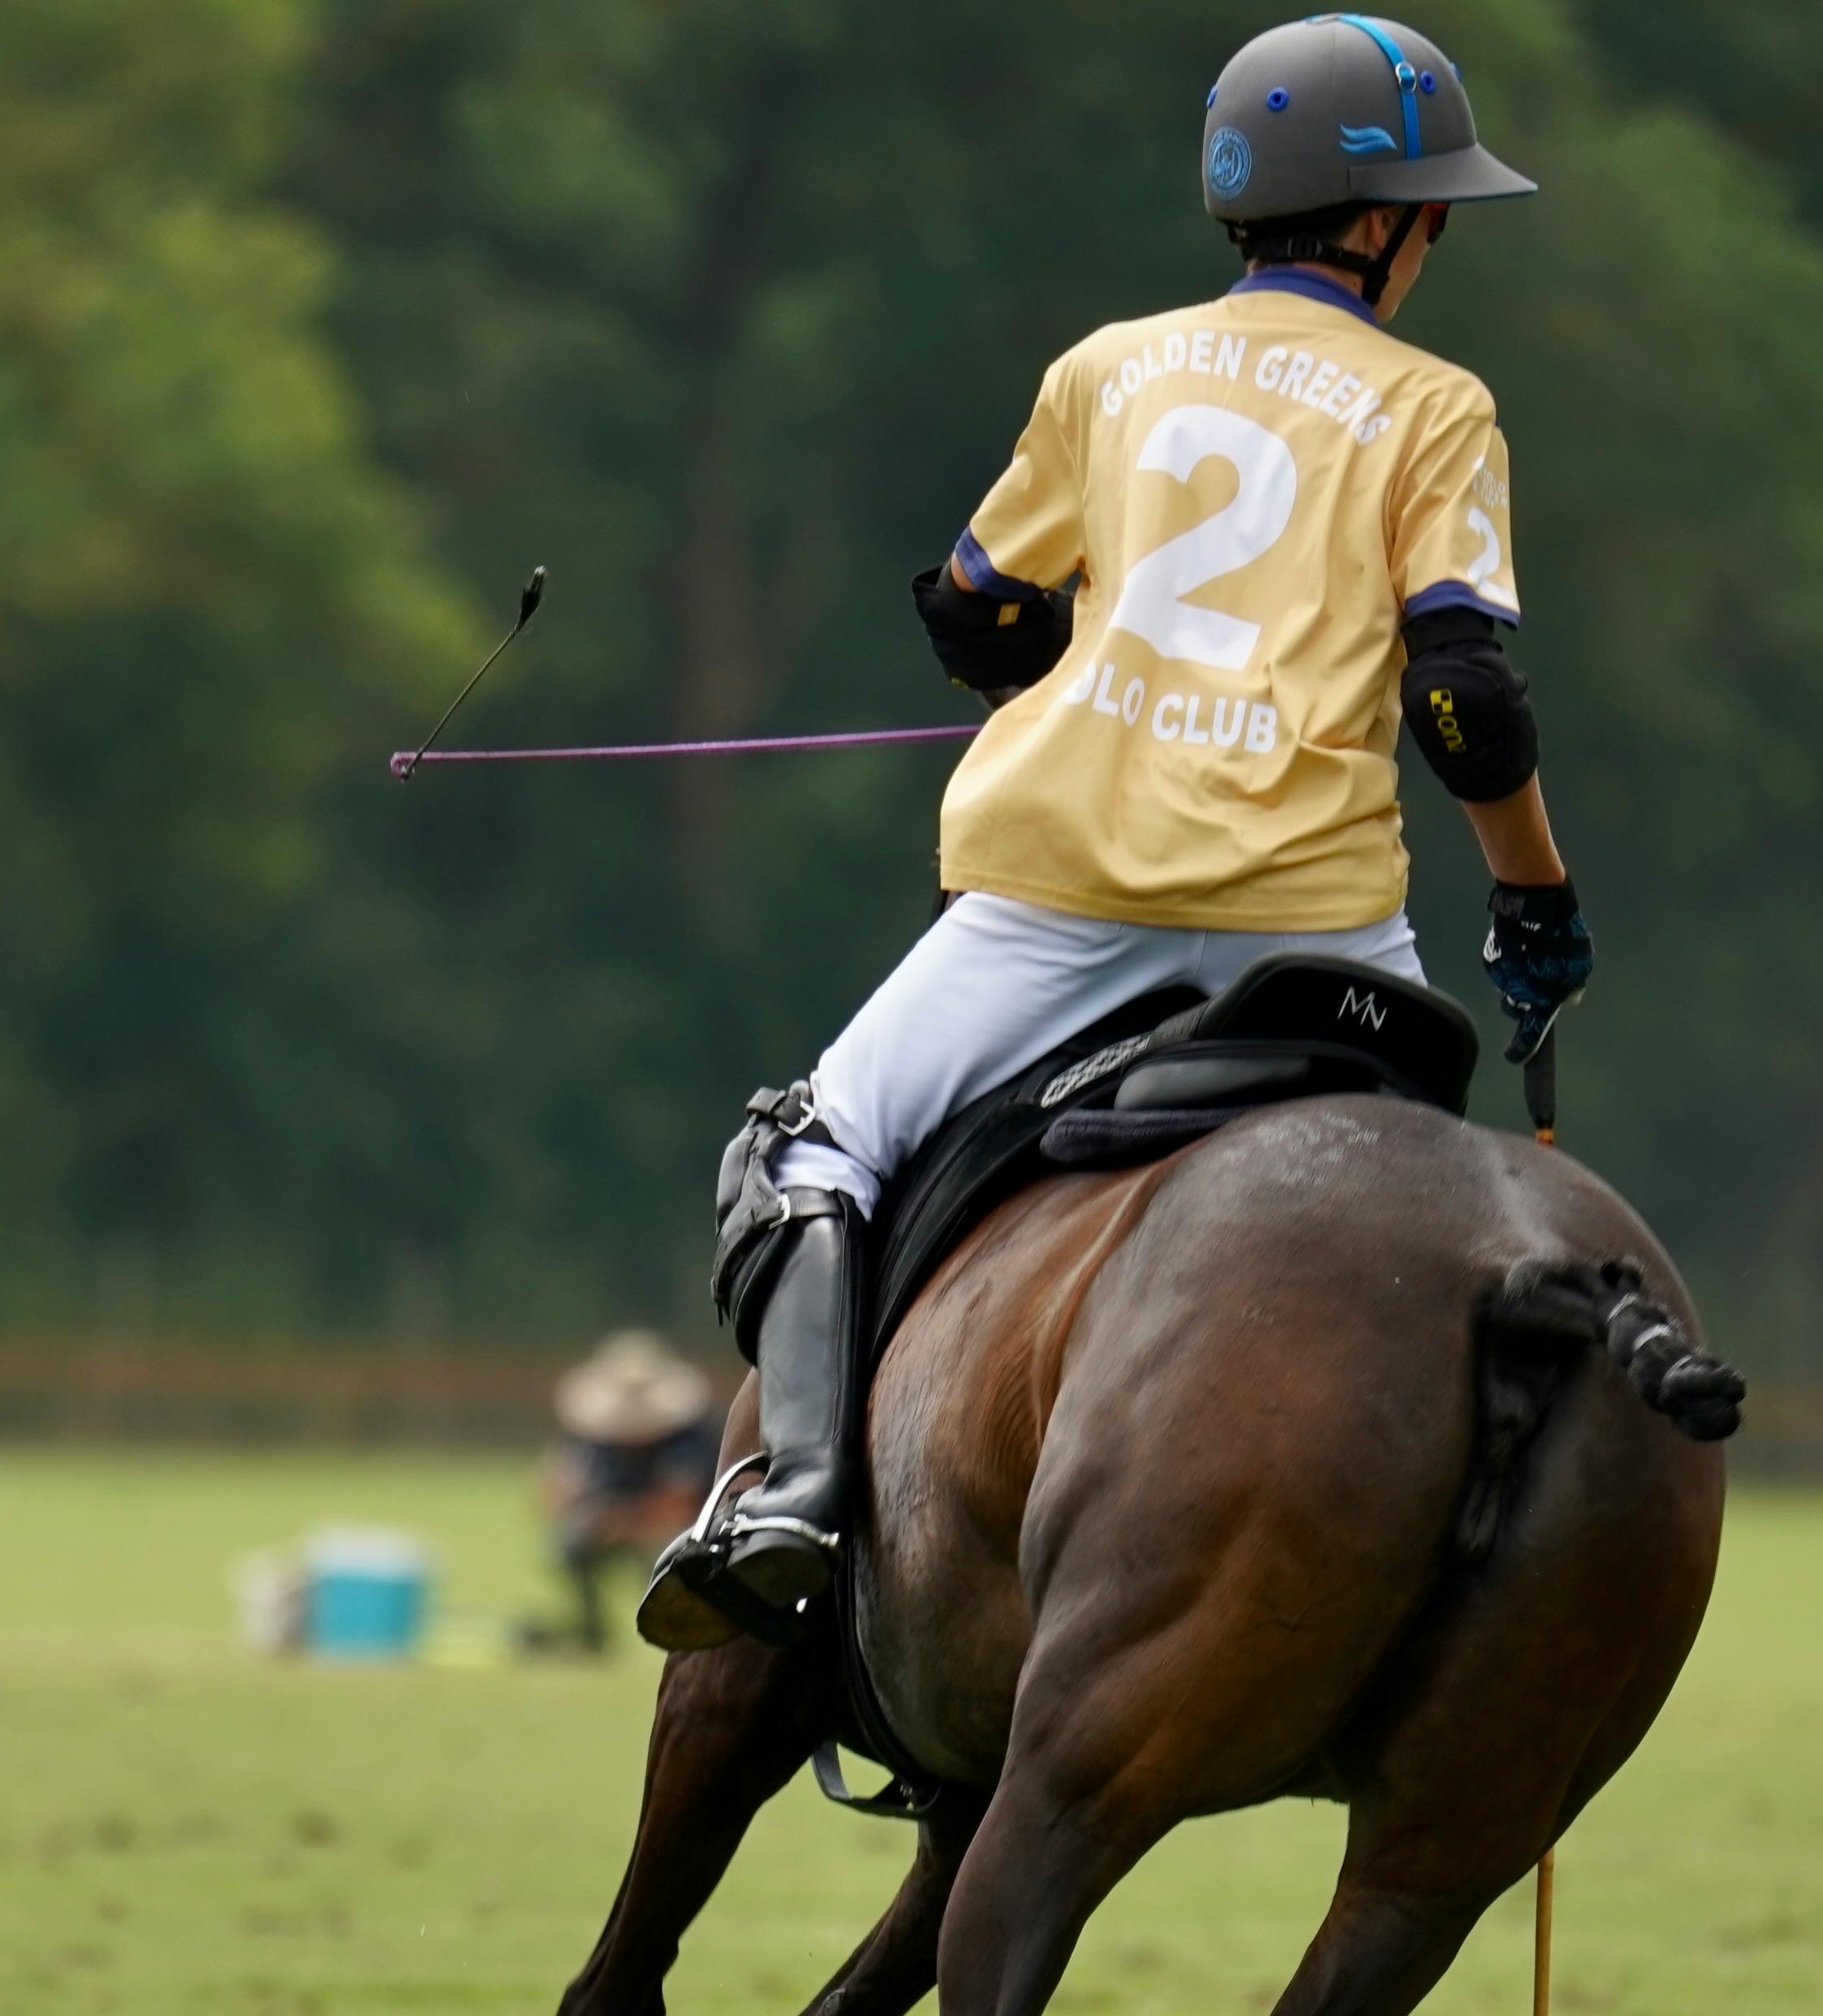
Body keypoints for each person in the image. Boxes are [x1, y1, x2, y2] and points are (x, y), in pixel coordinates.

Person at [639, 13, 1595, 1652]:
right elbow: (1464, 705)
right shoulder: (1435, 407)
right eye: (1428, 207)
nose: (1430, 237)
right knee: (1438, 1233)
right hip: (1314, 919)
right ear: (1375, 223)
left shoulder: (1109, 367)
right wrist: (1533, 896)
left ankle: (793, 1495)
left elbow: (974, 609)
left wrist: (1047, 644)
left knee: (806, 1151)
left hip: (1057, 894)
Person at [531, 1331, 724, 1655]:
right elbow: (554, 1496)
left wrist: (623, 1522)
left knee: (669, 1555)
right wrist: (587, 1511)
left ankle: (678, 1627)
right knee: (569, 1542)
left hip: (681, 1533)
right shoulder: (593, 1440)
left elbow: (679, 1506)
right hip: (612, 1528)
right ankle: (590, 1631)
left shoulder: (689, 1440)